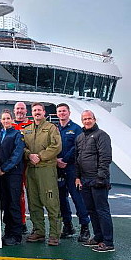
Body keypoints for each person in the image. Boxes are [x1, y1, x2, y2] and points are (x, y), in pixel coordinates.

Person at [23, 102, 62, 246]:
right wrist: (29, 155)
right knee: (33, 202)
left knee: (51, 201)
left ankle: (54, 234)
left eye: (39, 110)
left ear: (44, 112)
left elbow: (56, 146)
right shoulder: (26, 130)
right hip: (31, 170)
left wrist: (40, 156)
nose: (37, 112)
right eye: (34, 110)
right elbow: (22, 147)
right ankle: (38, 231)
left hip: (46, 169)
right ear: (31, 113)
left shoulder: (51, 128)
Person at [75, 110, 115, 252]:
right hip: (85, 180)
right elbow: (78, 159)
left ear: (94, 119)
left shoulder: (102, 135)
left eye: (89, 118)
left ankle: (108, 242)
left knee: (102, 210)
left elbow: (105, 157)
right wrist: (78, 177)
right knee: (91, 210)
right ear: (82, 121)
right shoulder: (80, 138)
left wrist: (101, 177)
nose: (87, 121)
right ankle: (98, 237)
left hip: (98, 180)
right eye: (84, 119)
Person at [55, 103, 90, 242]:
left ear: (69, 112)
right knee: (61, 199)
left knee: (77, 198)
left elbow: (78, 147)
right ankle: (68, 226)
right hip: (58, 168)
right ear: (57, 114)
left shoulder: (76, 129)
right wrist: (57, 160)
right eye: (59, 111)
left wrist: (65, 159)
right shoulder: (55, 128)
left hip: (72, 168)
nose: (62, 113)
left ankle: (85, 228)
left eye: (64, 111)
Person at [0, 110, 25, 246]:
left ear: (12, 120)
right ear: (0, 120)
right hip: (1, 175)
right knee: (5, 204)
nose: (6, 121)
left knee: (14, 203)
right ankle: (7, 232)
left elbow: (17, 154)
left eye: (8, 118)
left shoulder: (17, 135)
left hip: (13, 174)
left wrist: (4, 168)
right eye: (3, 119)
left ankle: (16, 234)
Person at [12, 101, 33, 233]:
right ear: (14, 111)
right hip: (15, 165)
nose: (19, 111)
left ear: (26, 111)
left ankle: (37, 224)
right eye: (17, 109)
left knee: (33, 194)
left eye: (22, 109)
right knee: (18, 195)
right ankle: (22, 221)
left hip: (30, 163)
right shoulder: (10, 125)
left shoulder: (32, 125)